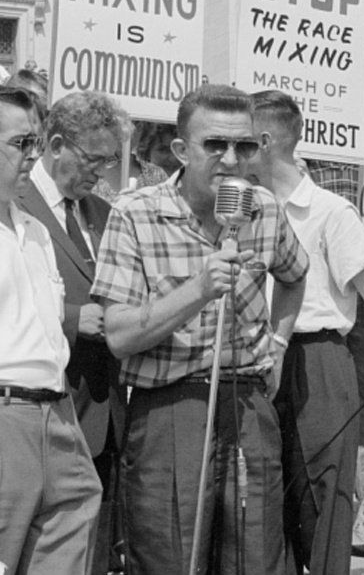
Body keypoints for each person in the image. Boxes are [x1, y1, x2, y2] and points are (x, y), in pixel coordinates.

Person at [91, 84, 308, 575]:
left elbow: (296, 276)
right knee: (172, 558)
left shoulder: (265, 209)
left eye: (245, 146)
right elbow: (119, 335)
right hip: (171, 406)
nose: (231, 159)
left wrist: (277, 341)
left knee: (256, 559)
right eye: (215, 145)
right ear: (180, 150)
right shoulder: (136, 213)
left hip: (248, 402)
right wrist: (198, 289)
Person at [0, 84, 103, 573]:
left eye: (36, 142)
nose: (33, 156)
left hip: (60, 415)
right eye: (19, 144)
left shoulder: (34, 232)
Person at [249, 90, 364, 575]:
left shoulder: (330, 212)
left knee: (323, 495)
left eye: (242, 142)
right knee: (261, 499)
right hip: (256, 357)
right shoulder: (244, 208)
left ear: (263, 142)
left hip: (317, 361)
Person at [15, 90, 128, 575]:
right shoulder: (10, 202)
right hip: (41, 415)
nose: (100, 173)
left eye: (109, 161)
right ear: (56, 144)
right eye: (93, 159)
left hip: (103, 418)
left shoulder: (104, 215)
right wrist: (70, 317)